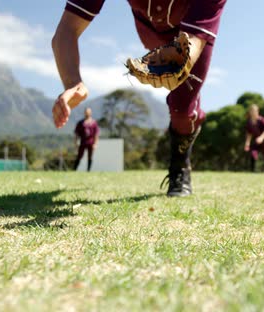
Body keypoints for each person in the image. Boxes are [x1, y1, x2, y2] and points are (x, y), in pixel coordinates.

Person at [51, 0, 227, 196]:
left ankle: (180, 167)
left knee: (182, 108)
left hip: (194, 34)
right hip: (151, 29)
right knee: (182, 95)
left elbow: (190, 45)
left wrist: (181, 64)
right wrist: (73, 82)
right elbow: (66, 30)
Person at [244, 104, 264, 172]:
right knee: (253, 154)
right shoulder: (249, 122)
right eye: (251, 111)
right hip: (256, 141)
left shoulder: (262, 120)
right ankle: (252, 171)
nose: (253, 112)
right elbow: (249, 134)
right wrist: (247, 144)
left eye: (254, 111)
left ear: (258, 111)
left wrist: (261, 138)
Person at [73, 107, 100, 171]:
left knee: (90, 157)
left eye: (88, 112)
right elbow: (76, 134)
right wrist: (75, 142)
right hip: (83, 142)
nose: (87, 113)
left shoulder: (94, 123)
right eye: (86, 112)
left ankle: (88, 170)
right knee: (79, 156)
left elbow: (96, 134)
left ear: (90, 113)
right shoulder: (80, 123)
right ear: (84, 113)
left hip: (91, 142)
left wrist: (95, 144)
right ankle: (74, 169)